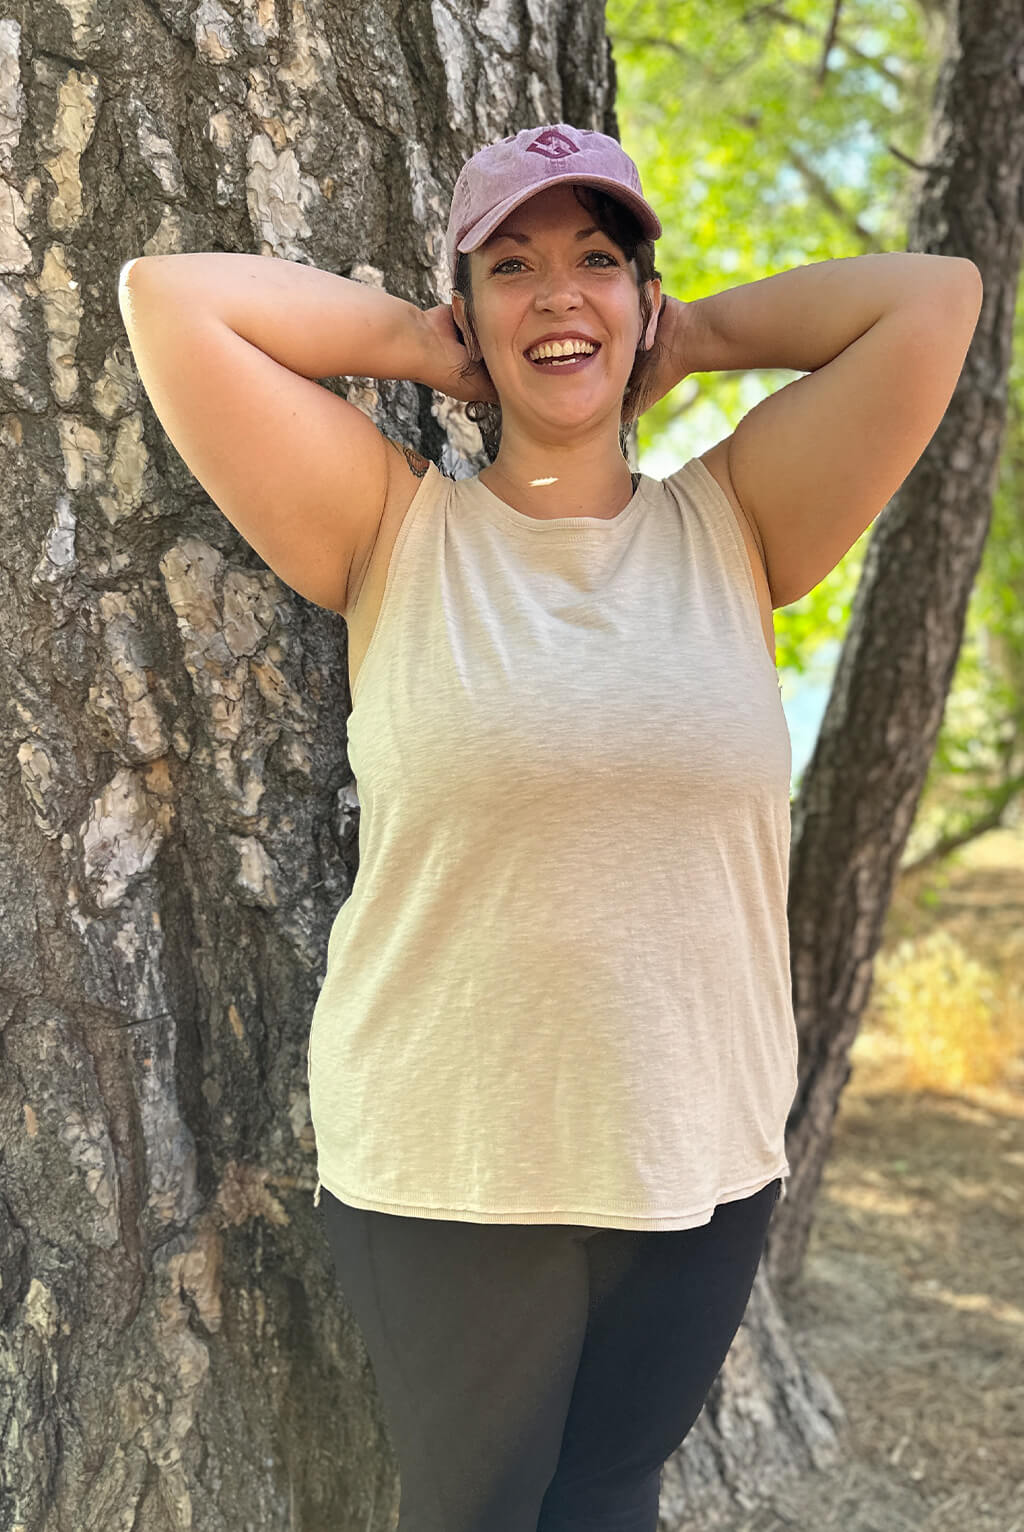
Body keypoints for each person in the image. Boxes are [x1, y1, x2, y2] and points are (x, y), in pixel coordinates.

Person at [118, 118, 981, 1532]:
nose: (558, 294)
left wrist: (691, 337)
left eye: (597, 260)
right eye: (511, 266)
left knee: (608, 1501)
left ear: (642, 294)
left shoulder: (741, 522)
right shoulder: (393, 531)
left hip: (696, 1148)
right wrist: (416, 340)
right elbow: (171, 297)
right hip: (460, 1156)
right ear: (472, 310)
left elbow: (933, 297)